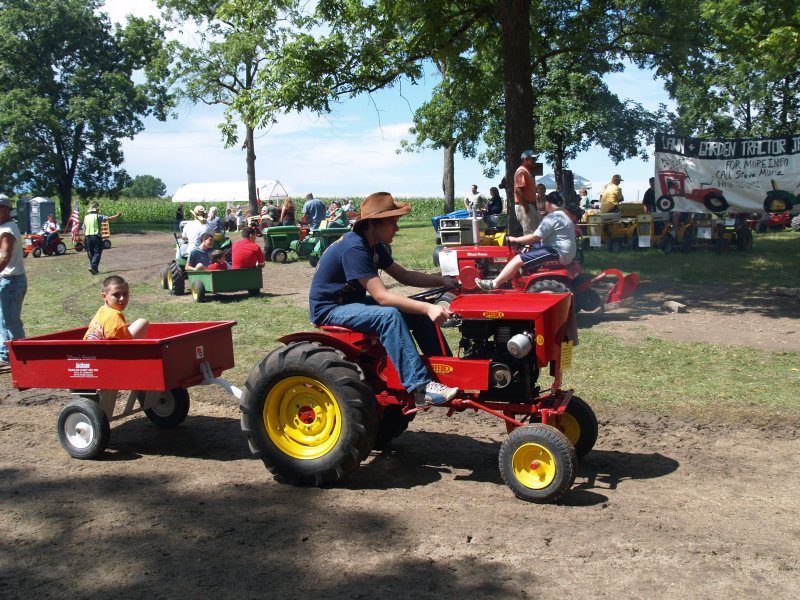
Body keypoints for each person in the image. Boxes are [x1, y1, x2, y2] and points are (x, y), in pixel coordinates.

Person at [309, 191, 459, 406]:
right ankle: (420, 387)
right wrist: (428, 308)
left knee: (416, 312)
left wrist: (441, 281)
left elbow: (403, 275)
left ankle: (447, 373)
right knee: (388, 315)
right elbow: (382, 297)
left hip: (351, 304)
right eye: (392, 223)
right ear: (373, 224)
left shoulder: (374, 245)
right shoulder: (355, 247)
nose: (397, 228)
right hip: (330, 309)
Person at [475, 191, 576, 291]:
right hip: (565, 251)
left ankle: (493, 284)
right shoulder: (563, 216)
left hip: (558, 252)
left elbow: (535, 237)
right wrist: (528, 244)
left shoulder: (552, 217)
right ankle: (521, 274)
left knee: (517, 259)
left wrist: (515, 239)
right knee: (528, 248)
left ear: (548, 203)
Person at [0, 194, 26, 368]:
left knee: (11, 321)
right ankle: (5, 354)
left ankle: (24, 355)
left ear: (5, 209)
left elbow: (4, 257)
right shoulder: (5, 227)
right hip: (8, 280)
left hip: (11, 281)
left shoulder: (7, 230)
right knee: (4, 319)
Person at [83, 275, 148, 340]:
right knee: (142, 322)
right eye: (116, 295)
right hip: (111, 349)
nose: (122, 298)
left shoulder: (101, 311)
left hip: (91, 348)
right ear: (104, 296)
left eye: (125, 294)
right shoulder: (114, 315)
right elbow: (125, 342)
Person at [83, 201, 121, 275]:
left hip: (88, 237)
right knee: (98, 252)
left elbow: (84, 228)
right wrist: (117, 216)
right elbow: (109, 219)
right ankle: (93, 266)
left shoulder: (86, 217)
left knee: (92, 253)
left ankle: (95, 270)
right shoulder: (98, 216)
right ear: (96, 210)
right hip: (96, 236)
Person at [514, 150, 539, 235]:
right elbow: (518, 190)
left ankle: (533, 248)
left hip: (529, 205)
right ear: (525, 159)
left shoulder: (526, 171)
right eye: (533, 159)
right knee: (530, 233)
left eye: (535, 158)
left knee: (535, 233)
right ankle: (530, 248)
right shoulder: (522, 171)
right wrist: (525, 207)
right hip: (524, 206)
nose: (535, 160)